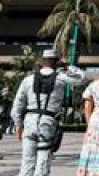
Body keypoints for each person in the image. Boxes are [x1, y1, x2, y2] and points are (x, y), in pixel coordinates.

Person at [12, 48, 84, 176]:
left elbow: (18, 104)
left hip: (29, 122)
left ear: (42, 61)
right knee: (43, 162)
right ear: (56, 62)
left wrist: (18, 124)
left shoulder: (28, 79)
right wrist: (68, 66)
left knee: (27, 161)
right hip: (48, 122)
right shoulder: (61, 78)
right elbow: (81, 78)